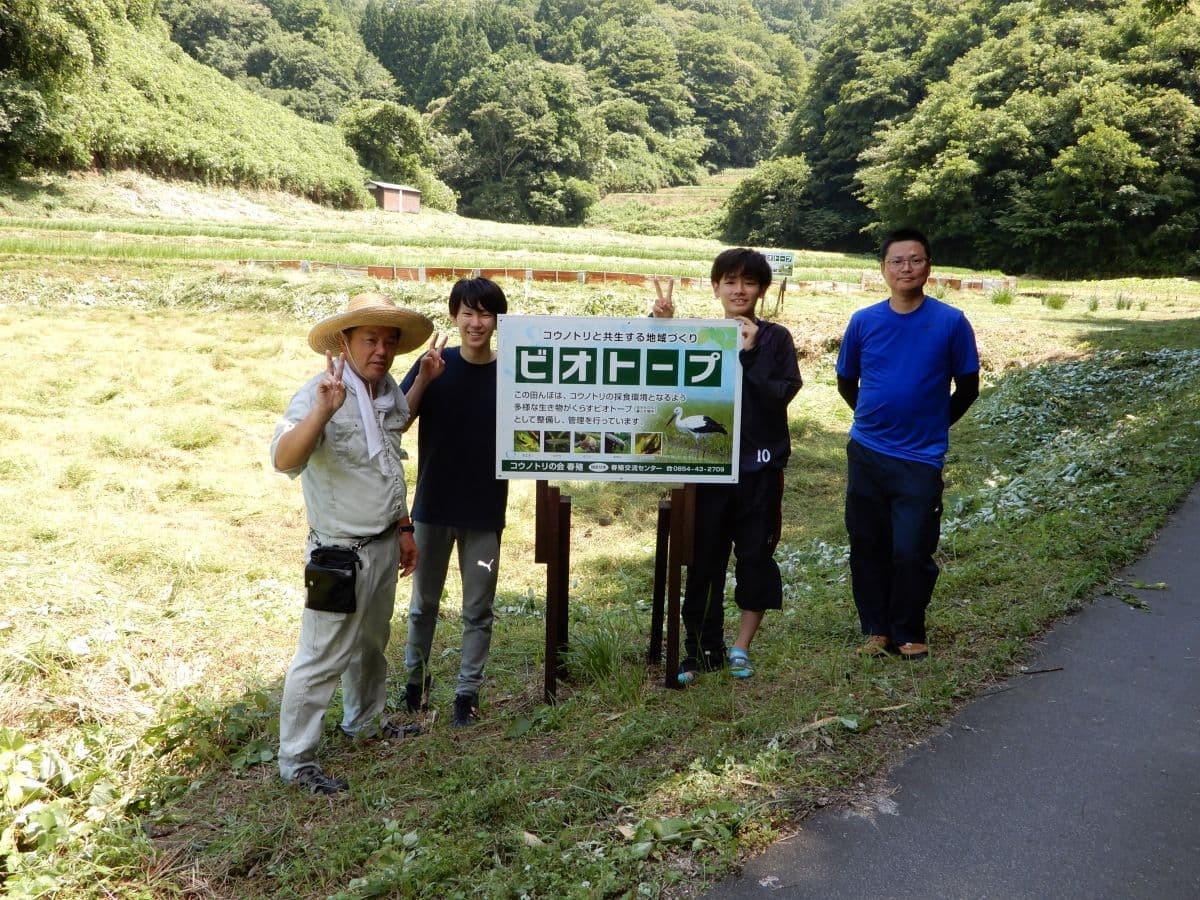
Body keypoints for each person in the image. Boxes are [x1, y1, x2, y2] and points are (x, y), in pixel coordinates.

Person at [271, 292, 432, 794]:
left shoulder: (386, 394)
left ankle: (365, 722)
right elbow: (283, 459)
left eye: (389, 341)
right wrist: (321, 413)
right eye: (369, 339)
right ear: (344, 342)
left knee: (370, 645)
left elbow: (388, 462)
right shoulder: (320, 392)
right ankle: (296, 760)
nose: (381, 350)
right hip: (339, 554)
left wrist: (404, 529)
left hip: (383, 543)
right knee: (321, 657)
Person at [653, 249, 803, 683]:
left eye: (749, 282)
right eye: (730, 281)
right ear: (715, 286)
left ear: (762, 290)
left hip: (759, 470)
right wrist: (661, 326)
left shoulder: (776, 339)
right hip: (706, 472)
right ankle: (701, 649)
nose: (740, 290)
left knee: (755, 557)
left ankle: (741, 647)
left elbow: (780, 395)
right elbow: (660, 374)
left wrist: (750, 354)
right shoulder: (700, 334)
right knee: (703, 561)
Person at [835, 228, 980, 660]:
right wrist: (869, 419)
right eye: (897, 261)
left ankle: (908, 629)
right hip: (867, 451)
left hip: (921, 458)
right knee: (867, 543)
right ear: (883, 269)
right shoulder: (864, 321)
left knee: (912, 548)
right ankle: (876, 629)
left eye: (915, 260)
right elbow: (847, 380)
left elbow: (968, 388)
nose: (906, 268)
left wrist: (935, 425)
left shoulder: (950, 322)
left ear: (928, 266)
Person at [400, 278, 509, 727]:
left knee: (477, 608)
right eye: (467, 312)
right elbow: (399, 419)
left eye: (484, 313)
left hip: (485, 512)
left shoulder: (513, 372)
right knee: (423, 603)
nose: (476, 322)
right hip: (432, 507)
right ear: (454, 317)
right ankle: (415, 683)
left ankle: (466, 693)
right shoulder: (434, 363)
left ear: (497, 320)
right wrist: (424, 379)